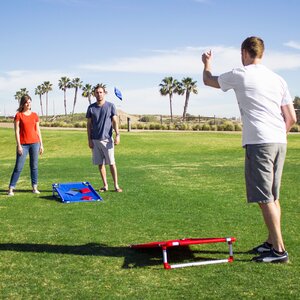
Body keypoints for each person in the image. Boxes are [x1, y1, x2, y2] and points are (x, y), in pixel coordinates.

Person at [202, 36, 297, 263]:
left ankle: (279, 251)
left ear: (245, 53)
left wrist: (206, 63)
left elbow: (208, 80)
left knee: (265, 198)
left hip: (260, 142)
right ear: (261, 53)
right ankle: (271, 242)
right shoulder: (278, 79)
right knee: (273, 196)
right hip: (279, 142)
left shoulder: (239, 74)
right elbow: (291, 118)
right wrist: (276, 134)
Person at [86, 84, 122, 193]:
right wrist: (89, 139)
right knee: (100, 164)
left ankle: (116, 185)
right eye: (97, 92)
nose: (99, 94)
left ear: (104, 93)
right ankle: (105, 185)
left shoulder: (111, 106)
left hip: (107, 139)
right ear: (94, 94)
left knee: (111, 163)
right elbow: (88, 125)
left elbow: (115, 121)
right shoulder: (91, 108)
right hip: (95, 140)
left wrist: (118, 135)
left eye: (101, 92)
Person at [8, 95, 44, 196]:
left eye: (29, 102)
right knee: (18, 167)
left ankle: (34, 187)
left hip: (35, 143)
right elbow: (16, 131)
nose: (28, 104)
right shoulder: (19, 115)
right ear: (23, 104)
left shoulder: (34, 115)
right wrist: (19, 145)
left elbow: (38, 130)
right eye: (26, 102)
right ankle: (11, 188)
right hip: (23, 145)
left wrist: (41, 144)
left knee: (34, 166)